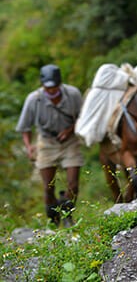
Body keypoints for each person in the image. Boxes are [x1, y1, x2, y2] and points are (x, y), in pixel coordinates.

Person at [16, 64, 85, 227]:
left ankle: (68, 213)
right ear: (42, 85)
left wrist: (70, 130)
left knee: (73, 183)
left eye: (54, 87)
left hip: (70, 141)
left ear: (59, 84)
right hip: (46, 142)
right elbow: (25, 127)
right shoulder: (34, 99)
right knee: (48, 186)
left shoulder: (73, 94)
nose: (52, 91)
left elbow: (84, 118)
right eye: (48, 88)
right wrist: (28, 146)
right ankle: (53, 220)